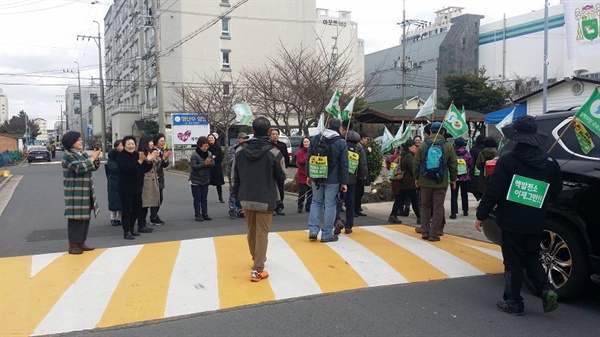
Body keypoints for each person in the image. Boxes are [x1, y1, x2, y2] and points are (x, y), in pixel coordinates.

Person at [475, 115, 562, 316]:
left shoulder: (508, 160)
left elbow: (493, 191)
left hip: (511, 220)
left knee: (513, 261)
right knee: (531, 256)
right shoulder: (550, 162)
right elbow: (556, 190)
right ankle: (546, 289)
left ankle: (513, 302)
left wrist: (481, 214)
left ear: (516, 138)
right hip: (536, 219)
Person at [232, 117, 286, 282]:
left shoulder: (239, 151)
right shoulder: (274, 152)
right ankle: (257, 269)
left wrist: (236, 195)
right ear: (269, 131)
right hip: (266, 198)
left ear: (252, 131)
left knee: (252, 230)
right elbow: (282, 176)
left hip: (246, 197)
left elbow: (235, 177)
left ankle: (256, 258)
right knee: (262, 233)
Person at [412, 122, 457, 242]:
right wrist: (453, 179)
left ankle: (425, 230)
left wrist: (416, 178)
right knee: (438, 207)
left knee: (425, 205)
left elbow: (416, 163)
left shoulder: (422, 145)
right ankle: (434, 233)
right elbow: (453, 164)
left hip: (425, 180)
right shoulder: (448, 146)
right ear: (443, 132)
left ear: (430, 132)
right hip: (440, 181)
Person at [306, 117, 348, 242]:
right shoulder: (341, 142)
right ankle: (326, 234)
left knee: (316, 202)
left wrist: (309, 175)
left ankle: (313, 230)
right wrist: (344, 182)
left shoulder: (316, 138)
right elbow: (344, 164)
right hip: (333, 179)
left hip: (316, 176)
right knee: (330, 204)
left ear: (328, 125)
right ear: (339, 128)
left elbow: (309, 158)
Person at [61, 131, 100, 254]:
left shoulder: (82, 154)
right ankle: (73, 245)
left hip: (86, 190)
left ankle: (81, 242)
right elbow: (80, 168)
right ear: (71, 142)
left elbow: (92, 167)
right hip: (75, 193)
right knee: (75, 219)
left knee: (85, 217)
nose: (81, 142)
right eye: (78, 140)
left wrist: (95, 158)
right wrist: (92, 158)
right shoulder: (68, 156)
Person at [117, 135, 154, 240]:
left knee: (137, 208)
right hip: (126, 187)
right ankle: (126, 231)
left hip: (137, 187)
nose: (131, 146)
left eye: (132, 144)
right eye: (128, 144)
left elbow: (145, 169)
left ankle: (132, 228)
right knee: (127, 209)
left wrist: (148, 161)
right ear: (124, 146)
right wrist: (140, 161)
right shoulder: (122, 156)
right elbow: (128, 169)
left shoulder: (137, 154)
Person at [334, 120, 367, 235]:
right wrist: (361, 177)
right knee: (350, 202)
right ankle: (349, 226)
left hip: (338, 177)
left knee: (337, 200)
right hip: (353, 178)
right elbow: (363, 164)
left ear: (343, 128)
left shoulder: (340, 142)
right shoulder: (359, 145)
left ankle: (337, 220)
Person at [389, 139, 420, 224]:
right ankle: (420, 217)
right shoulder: (409, 156)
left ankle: (393, 215)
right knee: (414, 200)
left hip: (402, 182)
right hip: (408, 182)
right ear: (409, 147)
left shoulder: (403, 155)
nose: (415, 148)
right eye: (414, 146)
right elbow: (412, 169)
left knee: (399, 199)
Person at [138, 136, 160, 232]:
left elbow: (157, 167)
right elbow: (144, 167)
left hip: (152, 180)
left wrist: (157, 158)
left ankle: (143, 224)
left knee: (147, 205)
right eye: (150, 142)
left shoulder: (152, 152)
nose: (152, 143)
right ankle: (141, 225)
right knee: (143, 205)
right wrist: (149, 159)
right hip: (145, 181)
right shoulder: (141, 153)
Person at [190, 136, 213, 221]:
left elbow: (213, 164)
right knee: (197, 198)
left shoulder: (209, 154)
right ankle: (197, 214)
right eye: (204, 146)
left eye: (207, 146)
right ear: (200, 145)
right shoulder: (194, 154)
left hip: (205, 179)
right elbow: (194, 167)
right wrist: (204, 164)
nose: (206, 148)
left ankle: (205, 213)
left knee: (204, 198)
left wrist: (209, 163)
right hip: (195, 179)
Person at [150, 133, 171, 225]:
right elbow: (155, 164)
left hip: (160, 176)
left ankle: (154, 215)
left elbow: (164, 165)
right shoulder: (153, 151)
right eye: (161, 141)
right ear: (156, 141)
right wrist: (163, 158)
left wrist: (165, 159)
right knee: (155, 198)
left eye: (164, 141)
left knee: (160, 198)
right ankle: (153, 217)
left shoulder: (162, 150)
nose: (163, 143)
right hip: (153, 176)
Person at [227, 132, 249, 219]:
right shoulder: (233, 148)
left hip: (244, 173)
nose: (244, 140)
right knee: (233, 191)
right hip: (234, 173)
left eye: (246, 138)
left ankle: (241, 210)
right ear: (238, 139)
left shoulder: (248, 148)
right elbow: (231, 161)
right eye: (243, 138)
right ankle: (232, 210)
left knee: (242, 192)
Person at [450, 137, 472, 219]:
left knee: (454, 195)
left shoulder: (452, 153)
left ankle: (453, 212)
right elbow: (470, 164)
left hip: (454, 177)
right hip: (465, 177)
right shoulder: (467, 153)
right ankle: (465, 210)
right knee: (464, 194)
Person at [270, 128, 289, 215]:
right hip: (271, 171)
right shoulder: (268, 145)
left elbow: (286, 158)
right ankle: (272, 206)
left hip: (280, 170)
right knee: (272, 188)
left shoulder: (282, 145)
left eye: (276, 134)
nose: (275, 136)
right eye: (273, 134)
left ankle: (280, 206)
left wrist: (285, 169)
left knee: (281, 188)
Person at [105, 139, 123, 226]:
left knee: (121, 200)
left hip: (122, 180)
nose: (122, 147)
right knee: (114, 199)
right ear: (116, 147)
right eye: (121, 146)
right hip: (113, 180)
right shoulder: (112, 157)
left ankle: (119, 218)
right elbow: (113, 168)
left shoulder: (123, 156)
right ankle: (113, 218)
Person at [355, 132, 370, 216]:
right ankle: (356, 209)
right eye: (366, 138)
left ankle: (357, 209)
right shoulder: (360, 147)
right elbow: (362, 163)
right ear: (362, 138)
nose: (366, 140)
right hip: (359, 174)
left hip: (358, 174)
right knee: (358, 192)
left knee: (359, 192)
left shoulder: (359, 146)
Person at [295, 136, 312, 213]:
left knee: (310, 192)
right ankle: (300, 206)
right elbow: (300, 162)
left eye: (307, 142)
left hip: (311, 174)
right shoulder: (299, 152)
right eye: (304, 142)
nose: (306, 143)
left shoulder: (312, 151)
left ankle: (308, 206)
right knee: (302, 191)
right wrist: (308, 157)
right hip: (302, 175)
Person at [207, 133, 225, 203]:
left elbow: (220, 157)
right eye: (209, 138)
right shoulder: (206, 147)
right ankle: (204, 197)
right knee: (206, 183)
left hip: (217, 166)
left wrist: (213, 160)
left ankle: (220, 197)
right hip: (208, 166)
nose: (211, 139)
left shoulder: (218, 147)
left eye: (212, 138)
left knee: (218, 184)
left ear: (215, 139)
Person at [469, 135, 485, 200]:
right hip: (484, 170)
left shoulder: (473, 150)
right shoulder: (484, 150)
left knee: (475, 186)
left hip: (474, 170)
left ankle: (478, 199)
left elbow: (471, 161)